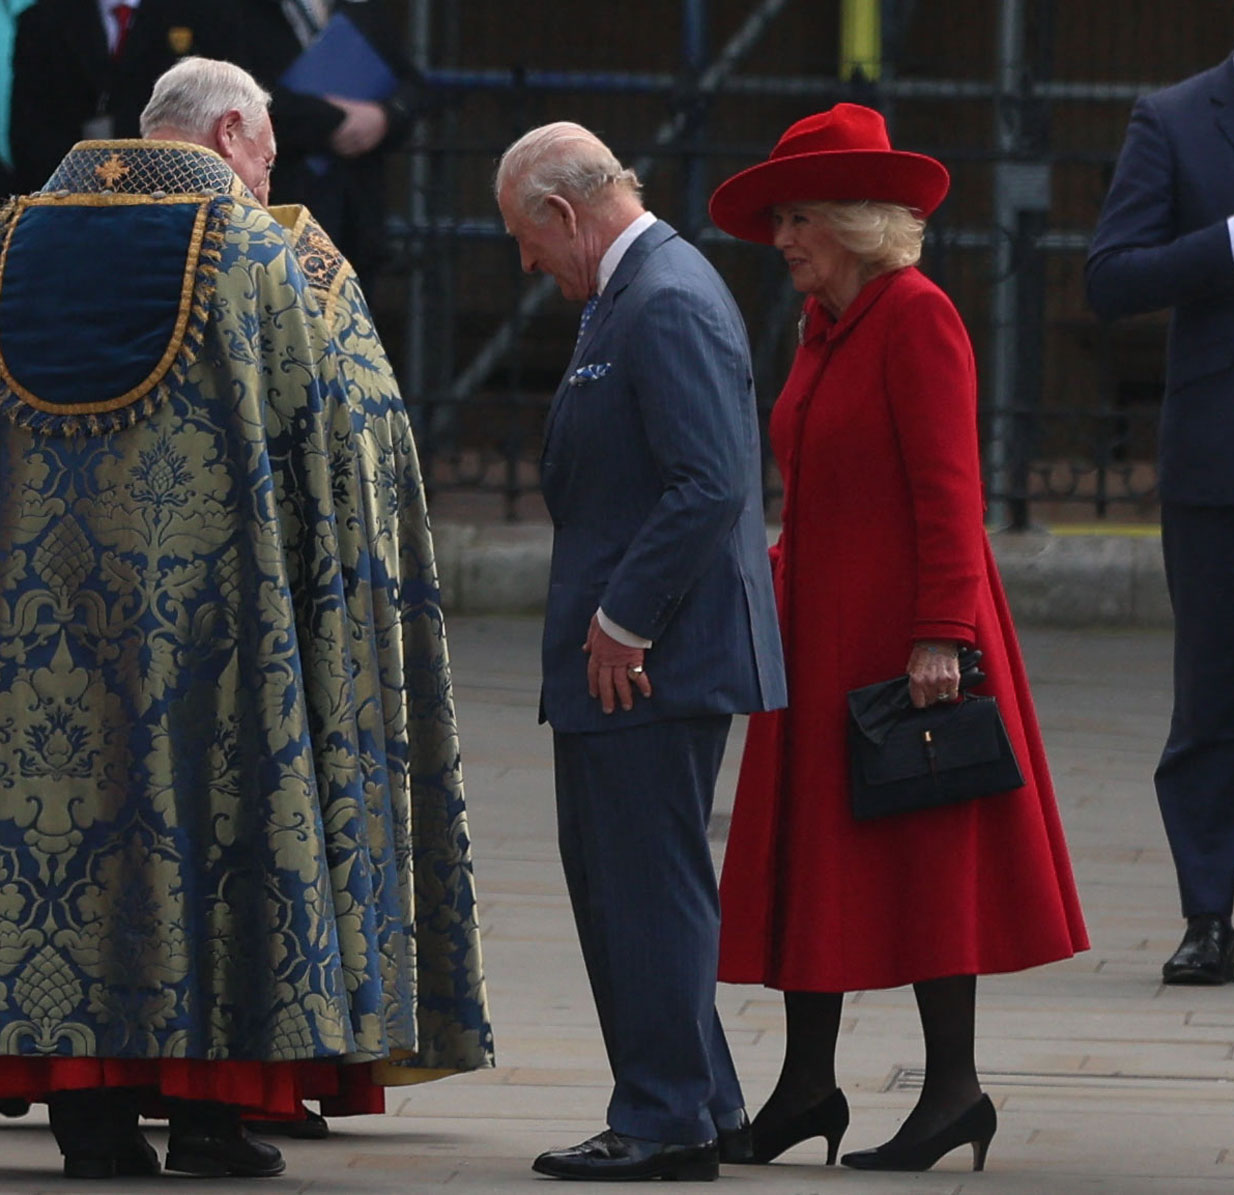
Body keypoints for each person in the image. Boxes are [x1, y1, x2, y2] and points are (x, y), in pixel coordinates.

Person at [0, 56, 491, 1180]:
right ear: (230, 132)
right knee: (223, 842)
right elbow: (351, 441)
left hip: (42, 660)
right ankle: (214, 1116)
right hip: (222, 645)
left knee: (60, 854)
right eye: (269, 147)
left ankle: (88, 1118)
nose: (273, 170)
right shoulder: (265, 254)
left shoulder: (13, 239)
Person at [707, 103, 1089, 1173]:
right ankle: (805, 1086)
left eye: (800, 219)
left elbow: (948, 492)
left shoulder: (916, 315)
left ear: (855, 221)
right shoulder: (823, 324)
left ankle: (952, 1091)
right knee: (810, 857)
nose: (783, 240)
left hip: (905, 631)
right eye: (781, 220)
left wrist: (939, 638)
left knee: (924, 860)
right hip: (821, 624)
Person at [494, 122, 786, 1182]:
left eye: (526, 239)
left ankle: (662, 1119)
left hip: (651, 655)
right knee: (632, 882)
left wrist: (623, 620)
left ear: (564, 215)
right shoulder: (638, 290)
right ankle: (701, 1100)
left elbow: (706, 481)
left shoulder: (662, 296)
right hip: (640, 652)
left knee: (642, 888)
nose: (526, 264)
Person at [1086, 56, 1234, 987]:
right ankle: (1210, 910)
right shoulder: (1175, 116)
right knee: (1212, 696)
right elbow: (1111, 277)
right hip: (1218, 462)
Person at [8, 0, 244, 194]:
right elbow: (30, 132)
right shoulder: (42, 20)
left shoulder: (205, 14)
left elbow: (219, 116)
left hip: (174, 198)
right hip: (70, 201)